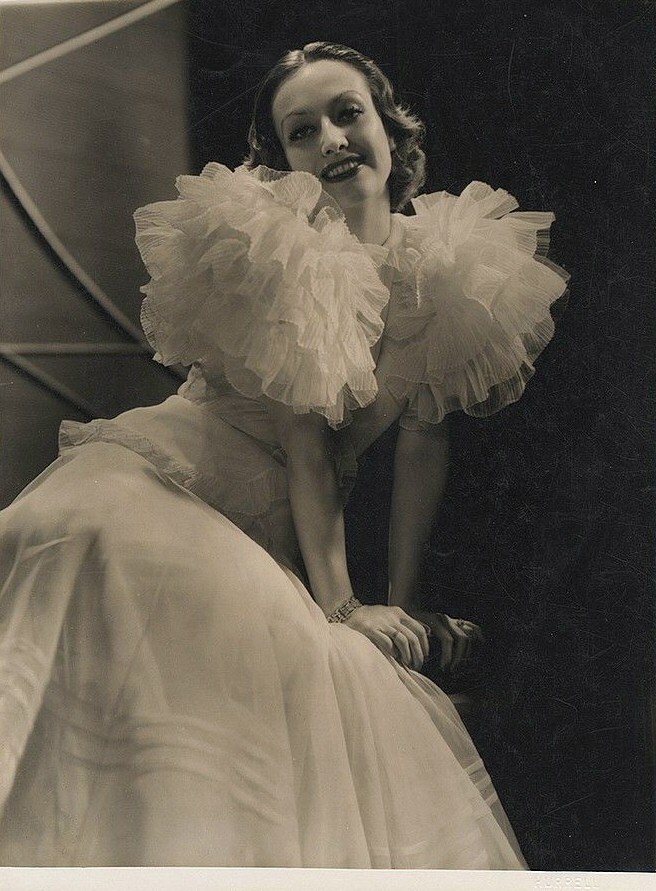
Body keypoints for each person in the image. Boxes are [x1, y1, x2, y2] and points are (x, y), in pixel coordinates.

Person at [0, 41, 568, 868]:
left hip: (260, 537)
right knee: (101, 561)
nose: (332, 139)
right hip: (168, 486)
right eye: (302, 133)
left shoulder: (448, 267)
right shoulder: (290, 257)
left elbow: (422, 444)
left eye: (347, 114)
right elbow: (307, 451)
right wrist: (344, 612)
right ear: (285, 163)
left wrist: (399, 614)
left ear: (388, 126)